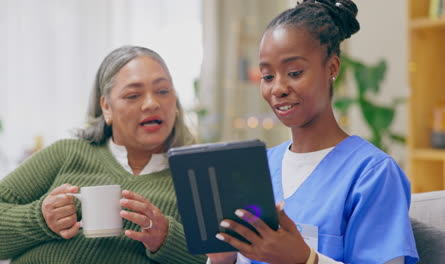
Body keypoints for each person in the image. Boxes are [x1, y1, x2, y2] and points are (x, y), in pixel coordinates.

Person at [208, 0, 419, 263]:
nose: (278, 88)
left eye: (294, 72)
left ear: (332, 67)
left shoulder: (372, 173)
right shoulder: (256, 168)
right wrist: (223, 258)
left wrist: (306, 259)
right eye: (267, 76)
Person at [0, 46, 206, 263]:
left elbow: (226, 258)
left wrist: (167, 239)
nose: (152, 103)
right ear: (106, 107)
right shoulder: (66, 154)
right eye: (133, 95)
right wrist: (39, 219)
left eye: (163, 91)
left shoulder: (196, 178)